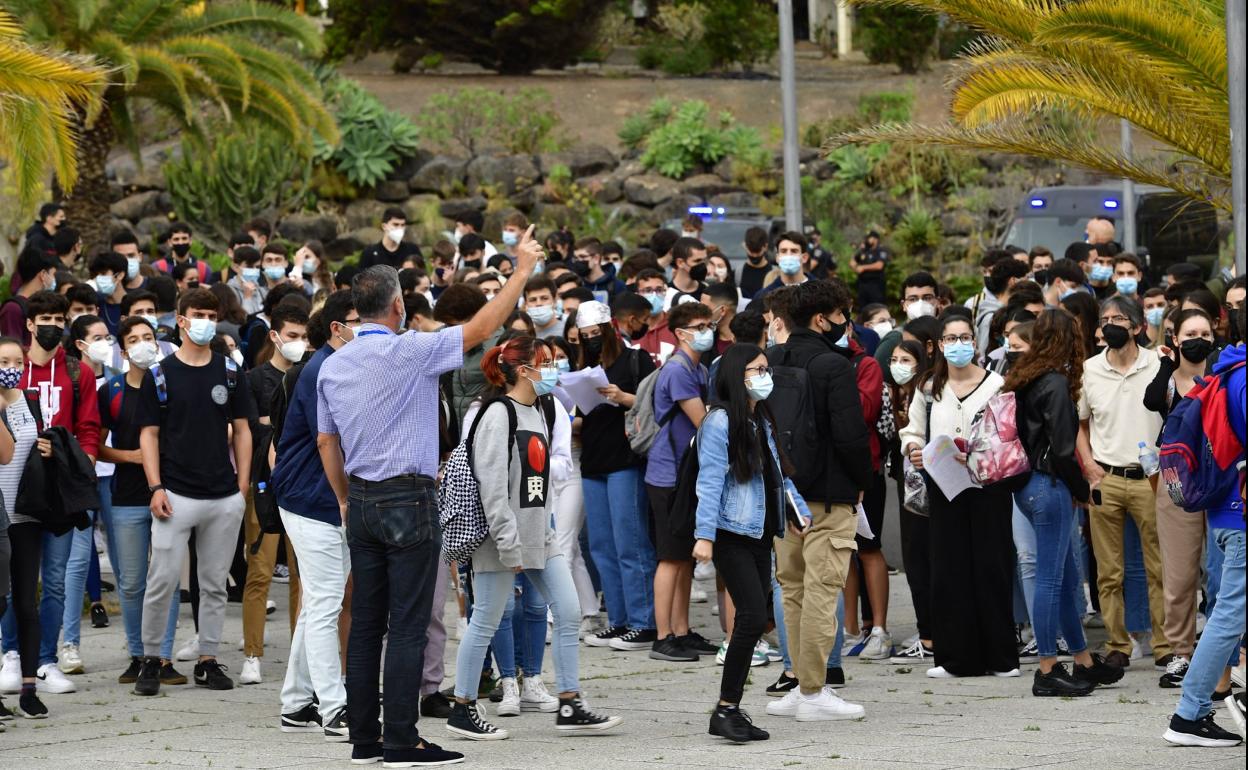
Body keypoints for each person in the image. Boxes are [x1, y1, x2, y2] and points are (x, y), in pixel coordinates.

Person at [315, 228, 540, 767]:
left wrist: (346, 499)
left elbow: (327, 441)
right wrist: (523, 269)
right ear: (398, 305)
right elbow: (484, 327)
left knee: (367, 624)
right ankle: (401, 739)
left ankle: (365, 739)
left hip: (363, 498)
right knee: (411, 624)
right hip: (410, 497)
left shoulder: (332, 363)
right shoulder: (411, 350)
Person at [446, 336, 622, 741]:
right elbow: (491, 487)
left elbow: (536, 481)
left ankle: (570, 701)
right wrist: (510, 545)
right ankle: (463, 705)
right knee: (487, 620)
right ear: (524, 370)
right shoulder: (497, 414)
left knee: (569, 610)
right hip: (501, 539)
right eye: (547, 362)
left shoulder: (539, 410)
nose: (555, 369)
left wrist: (544, 532)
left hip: (539, 535)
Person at [131, 288, 252, 696]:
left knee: (215, 582)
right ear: (181, 320)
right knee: (161, 579)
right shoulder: (160, 374)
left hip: (222, 493)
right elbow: (148, 433)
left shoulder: (230, 371)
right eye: (197, 314)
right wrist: (155, 485)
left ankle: (208, 658)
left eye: (211, 314)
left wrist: (242, 484)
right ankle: (150, 659)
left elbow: (244, 429)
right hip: (175, 494)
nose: (205, 321)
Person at [763, 280, 870, 721]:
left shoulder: (772, 359)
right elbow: (850, 434)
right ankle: (813, 690)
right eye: (842, 315)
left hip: (783, 493)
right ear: (822, 318)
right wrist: (863, 480)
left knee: (792, 589)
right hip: (828, 494)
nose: (847, 323)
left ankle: (796, 680)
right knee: (823, 590)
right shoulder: (833, 365)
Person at [694, 343, 810, 743]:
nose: (766, 376)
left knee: (755, 616)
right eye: (756, 370)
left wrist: (793, 512)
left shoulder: (758, 417)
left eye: (766, 369)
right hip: (731, 531)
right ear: (734, 375)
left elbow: (777, 472)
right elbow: (708, 482)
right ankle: (726, 708)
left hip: (759, 530)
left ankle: (730, 708)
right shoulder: (720, 422)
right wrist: (704, 536)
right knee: (749, 617)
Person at [1006, 309, 1124, 696]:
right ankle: (1046, 668)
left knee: (1068, 575)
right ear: (1068, 340)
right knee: (1052, 580)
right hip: (1049, 485)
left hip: (1028, 486)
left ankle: (1083, 661)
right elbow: (1061, 450)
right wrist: (1081, 489)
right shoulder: (1055, 382)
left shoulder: (1026, 376)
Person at [899, 315, 1018, 679]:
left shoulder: (997, 384)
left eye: (965, 337)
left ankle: (1000, 656)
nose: (958, 344)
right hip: (943, 483)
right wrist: (914, 447)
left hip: (988, 485)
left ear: (975, 342)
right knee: (948, 568)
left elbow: (1009, 431)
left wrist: (982, 452)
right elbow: (911, 431)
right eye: (951, 338)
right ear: (939, 344)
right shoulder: (928, 386)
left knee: (992, 565)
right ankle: (955, 657)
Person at [0, 291, 100, 697]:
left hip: (59, 491)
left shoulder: (78, 373)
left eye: (59, 317)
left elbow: (90, 428)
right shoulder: (13, 369)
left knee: (55, 580)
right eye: (44, 317)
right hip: (14, 495)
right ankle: (10, 655)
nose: (52, 324)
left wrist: (80, 461)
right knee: (13, 582)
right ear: (28, 324)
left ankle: (45, 660)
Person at [272, 291, 360, 741]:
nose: (363, 329)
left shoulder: (340, 364)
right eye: (355, 321)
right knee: (326, 604)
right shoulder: (324, 369)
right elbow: (331, 441)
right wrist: (346, 500)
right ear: (335, 328)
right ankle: (334, 707)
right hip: (314, 500)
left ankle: (296, 701)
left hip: (323, 499)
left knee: (317, 604)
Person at [1076, 296, 1172, 670]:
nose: (1111, 324)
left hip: (1151, 478)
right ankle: (1118, 644)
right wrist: (1088, 464)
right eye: (1105, 319)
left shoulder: (1157, 363)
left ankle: (1165, 644)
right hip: (1107, 477)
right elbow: (1080, 426)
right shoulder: (1089, 370)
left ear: (1136, 326)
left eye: (1119, 318)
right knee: (1108, 570)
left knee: (1159, 566)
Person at [1161, 339, 1245, 748]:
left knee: (1229, 612)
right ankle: (1189, 713)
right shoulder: (1244, 377)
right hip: (1241, 517)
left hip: (1227, 512)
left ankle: (1192, 712)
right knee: (1229, 615)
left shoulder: (1227, 372)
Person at [95, 317, 184, 688]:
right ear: (123, 349)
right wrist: (134, 457)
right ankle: (137, 654)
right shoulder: (111, 391)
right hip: (128, 496)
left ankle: (163, 656)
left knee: (167, 578)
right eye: (135, 339)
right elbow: (97, 444)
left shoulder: (169, 384)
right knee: (131, 583)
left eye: (149, 337)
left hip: (170, 493)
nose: (144, 344)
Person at [575, 300, 659, 651]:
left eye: (597, 334)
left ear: (609, 330)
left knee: (631, 541)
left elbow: (651, 403)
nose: (592, 340)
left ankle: (644, 621)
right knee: (601, 546)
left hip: (625, 459)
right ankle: (620, 619)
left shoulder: (634, 360)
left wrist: (622, 396)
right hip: (593, 459)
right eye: (585, 336)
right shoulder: (585, 367)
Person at [1143, 308, 1218, 687]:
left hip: (1221, 482)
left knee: (1222, 571)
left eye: (1205, 332)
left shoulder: (1223, 375)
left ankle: (1227, 654)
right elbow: (1151, 400)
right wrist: (1166, 364)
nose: (1198, 339)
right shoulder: (1168, 381)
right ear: (1175, 338)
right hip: (1177, 483)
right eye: (1190, 332)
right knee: (1179, 572)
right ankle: (1180, 652)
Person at [239, 304, 309, 686]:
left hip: (301, 487)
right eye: (292, 335)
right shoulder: (254, 380)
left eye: (303, 336)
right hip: (264, 487)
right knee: (260, 571)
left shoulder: (308, 376)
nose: (298, 343)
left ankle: (302, 652)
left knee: (303, 575)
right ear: (275, 336)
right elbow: (254, 430)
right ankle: (252, 653)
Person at [645, 301, 716, 663]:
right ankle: (663, 635)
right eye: (700, 325)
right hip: (668, 473)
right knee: (670, 557)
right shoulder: (678, 370)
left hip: (685, 471)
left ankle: (682, 630)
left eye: (709, 323)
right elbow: (702, 420)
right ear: (681, 332)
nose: (708, 330)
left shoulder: (697, 366)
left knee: (684, 557)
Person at [57, 316, 116, 675]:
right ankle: (70, 644)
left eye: (108, 336)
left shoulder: (120, 377)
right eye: (97, 337)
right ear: (80, 344)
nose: (105, 343)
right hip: (80, 479)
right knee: (76, 562)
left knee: (128, 566)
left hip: (116, 479)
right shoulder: (73, 378)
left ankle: (141, 650)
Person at [0, 337, 55, 718]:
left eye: (16, 360)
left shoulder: (30, 401)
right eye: (3, 360)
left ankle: (29, 689)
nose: (11, 366)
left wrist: (49, 449)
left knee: (25, 603)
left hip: (26, 515)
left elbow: (40, 445)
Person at [0, 249, 59, 346]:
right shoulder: (13, 309)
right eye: (53, 275)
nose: (54, 280)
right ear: (43, 274)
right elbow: (12, 351)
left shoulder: (42, 306)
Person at [635, 269, 678, 364]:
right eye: (648, 290)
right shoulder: (630, 327)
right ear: (637, 294)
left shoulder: (676, 326)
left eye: (659, 290)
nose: (654, 295)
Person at [571, 238, 625, 304]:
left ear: (596, 258)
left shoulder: (617, 286)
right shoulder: (575, 284)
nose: (578, 261)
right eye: (576, 258)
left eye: (583, 257)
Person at [757, 232, 811, 297]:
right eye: (783, 251)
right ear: (777, 258)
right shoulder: (764, 295)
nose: (788, 255)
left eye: (794, 251)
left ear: (804, 258)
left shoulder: (819, 291)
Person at [667, 237, 708, 308]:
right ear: (680, 262)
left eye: (704, 260)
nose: (703, 265)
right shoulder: (667, 293)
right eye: (697, 261)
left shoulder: (707, 293)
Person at [851, 231, 889, 307]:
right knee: (863, 308)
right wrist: (856, 267)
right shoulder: (864, 251)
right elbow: (852, 261)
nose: (867, 240)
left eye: (869, 238)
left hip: (876, 285)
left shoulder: (881, 250)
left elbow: (879, 265)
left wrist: (863, 268)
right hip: (862, 284)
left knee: (876, 307)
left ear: (876, 239)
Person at [523, 275, 563, 340]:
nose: (539, 303)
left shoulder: (567, 332)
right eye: (533, 300)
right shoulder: (524, 338)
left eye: (544, 298)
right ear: (526, 304)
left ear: (555, 301)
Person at [739, 227, 772, 300]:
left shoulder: (774, 272)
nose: (754, 255)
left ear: (765, 247)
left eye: (757, 251)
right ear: (745, 246)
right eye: (751, 251)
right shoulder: (738, 273)